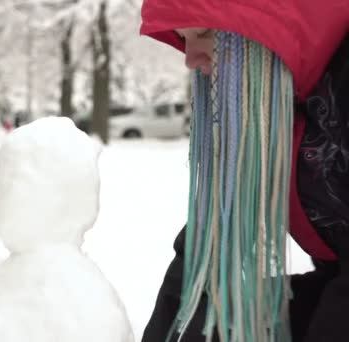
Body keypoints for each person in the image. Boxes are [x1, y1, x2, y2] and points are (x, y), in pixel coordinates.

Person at [138, 0, 349, 341]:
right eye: (184, 39)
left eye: (203, 33)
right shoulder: (274, 107)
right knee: (225, 318)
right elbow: (209, 250)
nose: (189, 58)